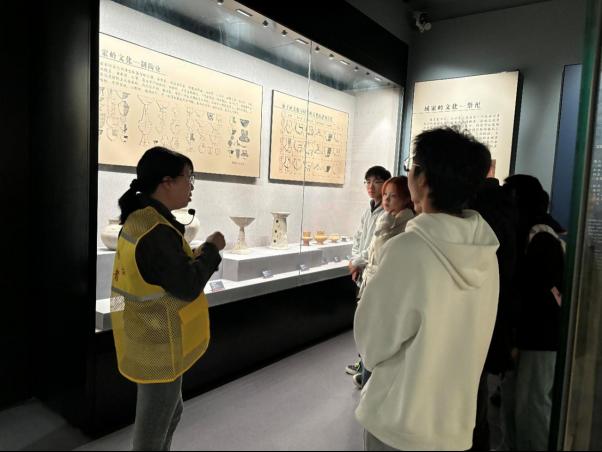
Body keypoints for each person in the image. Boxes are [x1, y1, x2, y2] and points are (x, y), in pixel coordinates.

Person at [354, 127, 499, 451]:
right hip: (454, 425)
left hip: (399, 422)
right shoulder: (486, 252)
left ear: (422, 179)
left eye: (411, 168)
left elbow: (372, 343)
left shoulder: (407, 250)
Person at [110, 146, 225, 451]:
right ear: (167, 182)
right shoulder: (155, 230)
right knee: (153, 429)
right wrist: (212, 249)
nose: (191, 187)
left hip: (145, 333)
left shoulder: (141, 219)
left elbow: (164, 273)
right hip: (157, 340)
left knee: (170, 413)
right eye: (188, 178)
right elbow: (187, 285)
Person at [502, 174, 565, 451]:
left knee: (532, 403)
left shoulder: (539, 235)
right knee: (516, 399)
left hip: (541, 336)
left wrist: (517, 335)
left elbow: (537, 292)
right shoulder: (532, 230)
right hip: (531, 333)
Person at [468, 177, 519, 450]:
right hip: (496, 311)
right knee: (479, 388)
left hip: (478, 315)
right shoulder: (507, 216)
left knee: (473, 390)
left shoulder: (481, 218)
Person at [352, 176, 415, 389]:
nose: (386, 200)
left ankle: (370, 381)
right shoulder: (385, 219)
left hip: (386, 291)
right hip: (371, 284)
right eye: (385, 195)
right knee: (368, 335)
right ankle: (365, 374)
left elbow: (387, 260)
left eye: (393, 196)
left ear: (406, 198)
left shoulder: (407, 225)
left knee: (377, 338)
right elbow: (370, 250)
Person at [345, 166, 391, 377]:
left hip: (373, 271)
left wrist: (357, 262)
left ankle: (367, 365)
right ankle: (363, 362)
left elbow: (376, 245)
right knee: (363, 319)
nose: (371, 186)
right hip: (362, 269)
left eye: (377, 181)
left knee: (369, 321)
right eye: (368, 181)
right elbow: (358, 236)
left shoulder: (388, 212)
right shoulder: (369, 209)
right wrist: (355, 260)